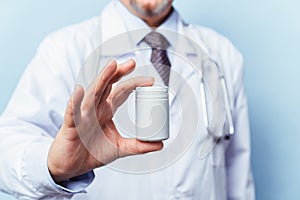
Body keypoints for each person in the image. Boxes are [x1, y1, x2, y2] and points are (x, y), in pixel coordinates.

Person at [0, 0, 255, 199]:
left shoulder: (221, 54)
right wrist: (53, 166)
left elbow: (238, 178)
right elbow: (6, 151)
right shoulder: (64, 50)